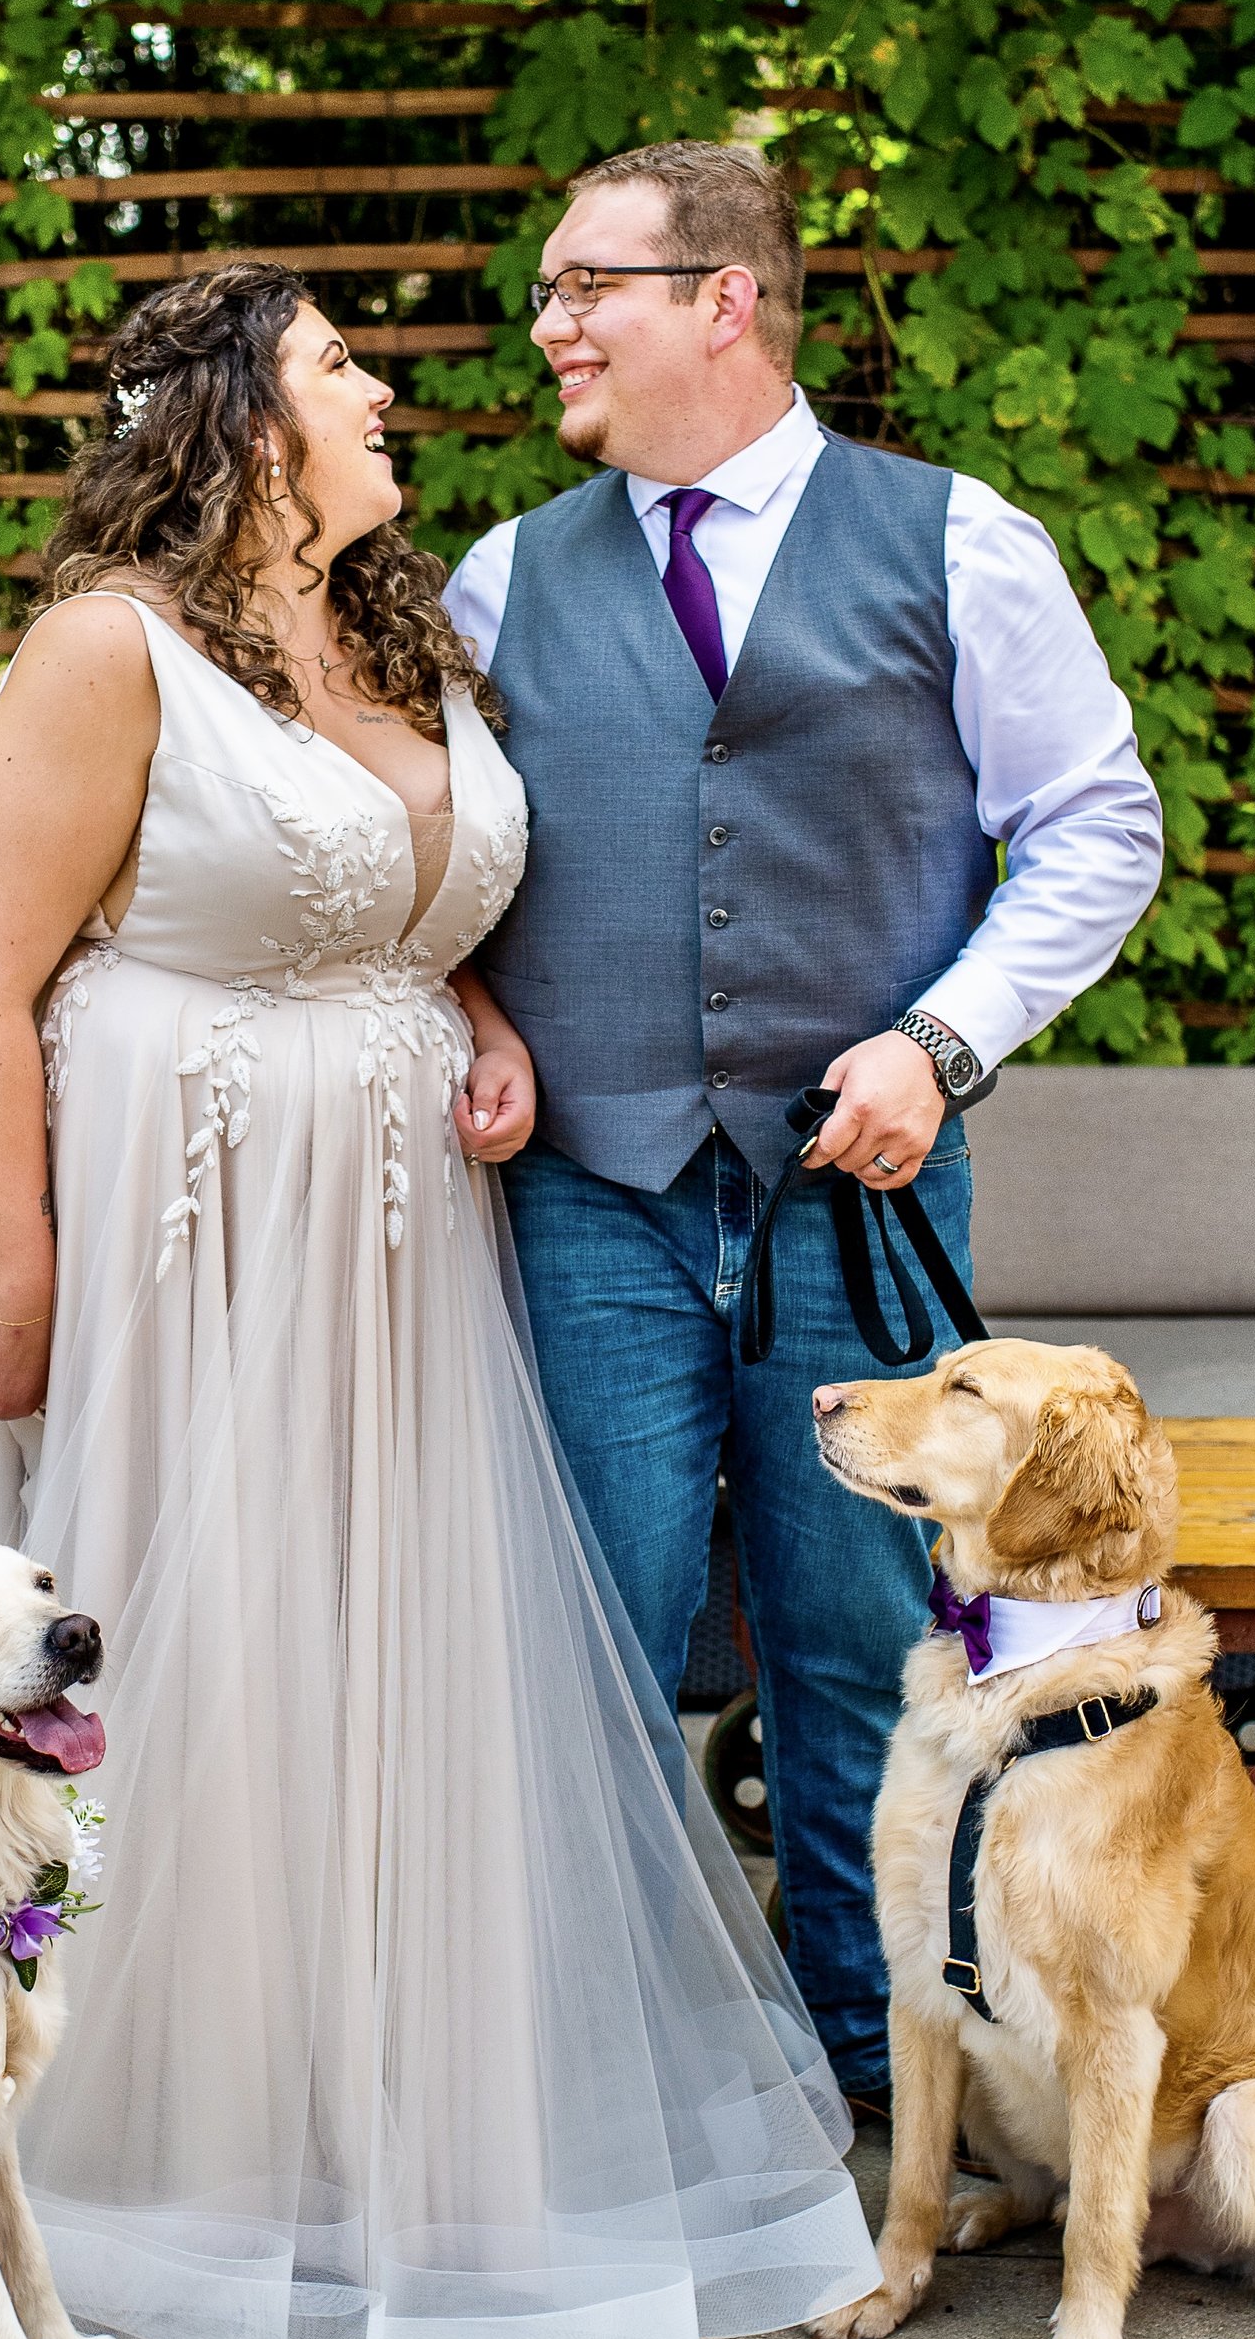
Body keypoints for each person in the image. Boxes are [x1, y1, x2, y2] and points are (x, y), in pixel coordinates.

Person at [0, 259, 878, 2339]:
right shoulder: (104, 648)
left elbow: (412, 897)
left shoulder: (398, 628)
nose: (386, 386)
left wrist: (484, 1021)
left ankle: (367, 2128)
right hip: (186, 1227)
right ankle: (150, 2167)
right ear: (239, 418)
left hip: (401, 1249)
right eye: (338, 365)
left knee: (379, 1662)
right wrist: (21, 1288)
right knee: (194, 1661)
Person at [442, 139, 1164, 2118]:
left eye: (585, 284)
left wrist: (935, 1037)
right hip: (593, 1194)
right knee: (591, 1628)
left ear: (722, 300)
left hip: (854, 1206)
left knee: (854, 1648)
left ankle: (873, 2061)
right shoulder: (502, 575)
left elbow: (1101, 826)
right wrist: (479, 1011)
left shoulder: (954, 541)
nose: (549, 325)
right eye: (546, 289)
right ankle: (586, 2063)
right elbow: (427, 864)